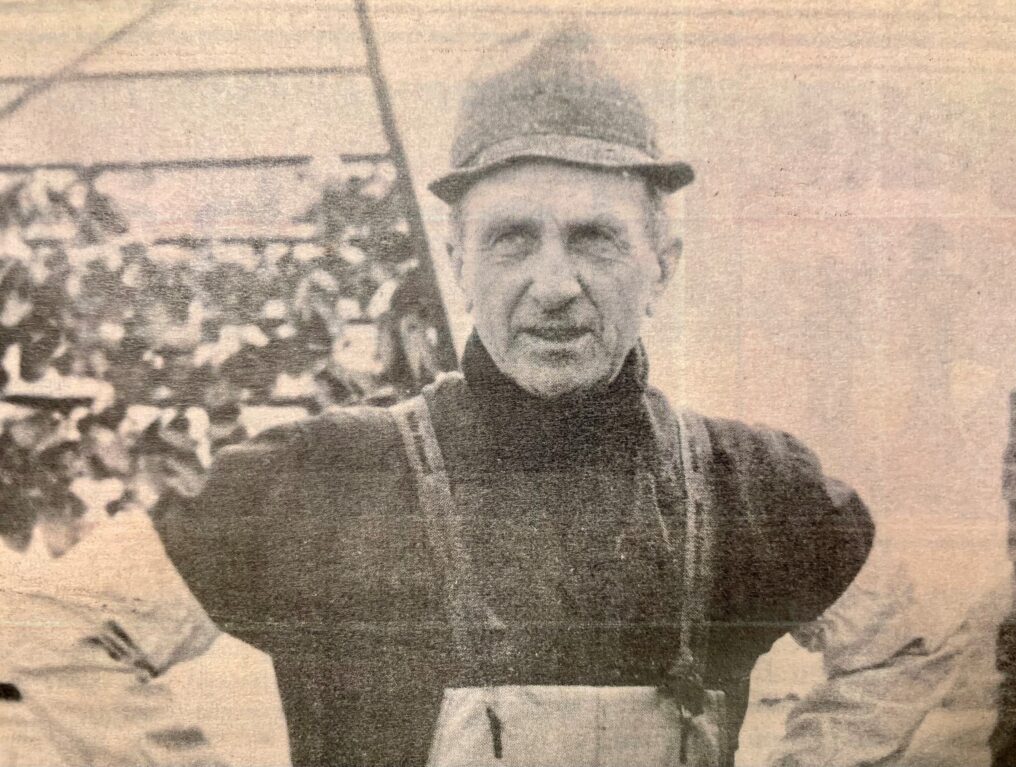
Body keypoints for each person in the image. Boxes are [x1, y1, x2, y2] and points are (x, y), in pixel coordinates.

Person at [156, 25, 874, 766]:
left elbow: (915, 648)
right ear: (458, 261)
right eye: (512, 239)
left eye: (594, 238)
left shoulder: (751, 486)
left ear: (662, 263)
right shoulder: (330, 476)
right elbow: (80, 630)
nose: (555, 285)